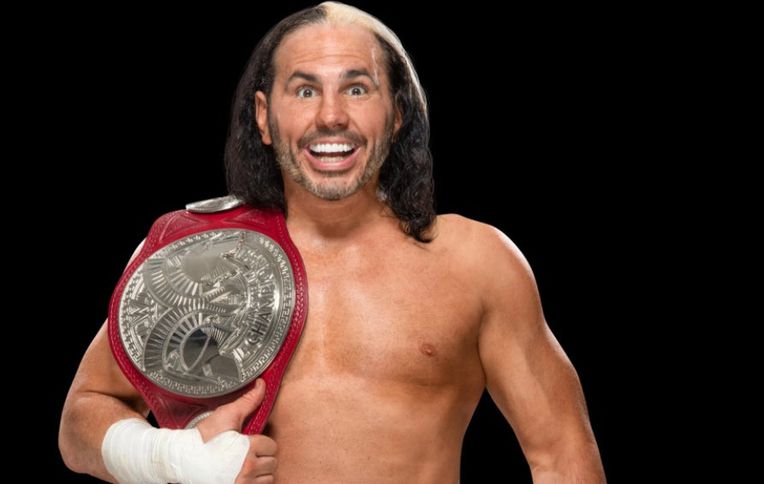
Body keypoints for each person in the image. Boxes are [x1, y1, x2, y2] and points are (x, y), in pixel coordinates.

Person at [59, 2, 606, 482]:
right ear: (264, 116)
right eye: (304, 90)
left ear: (396, 113)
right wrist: (175, 459)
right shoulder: (190, 257)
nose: (330, 116)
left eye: (357, 88)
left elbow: (562, 455)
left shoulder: (475, 263)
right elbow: (81, 420)